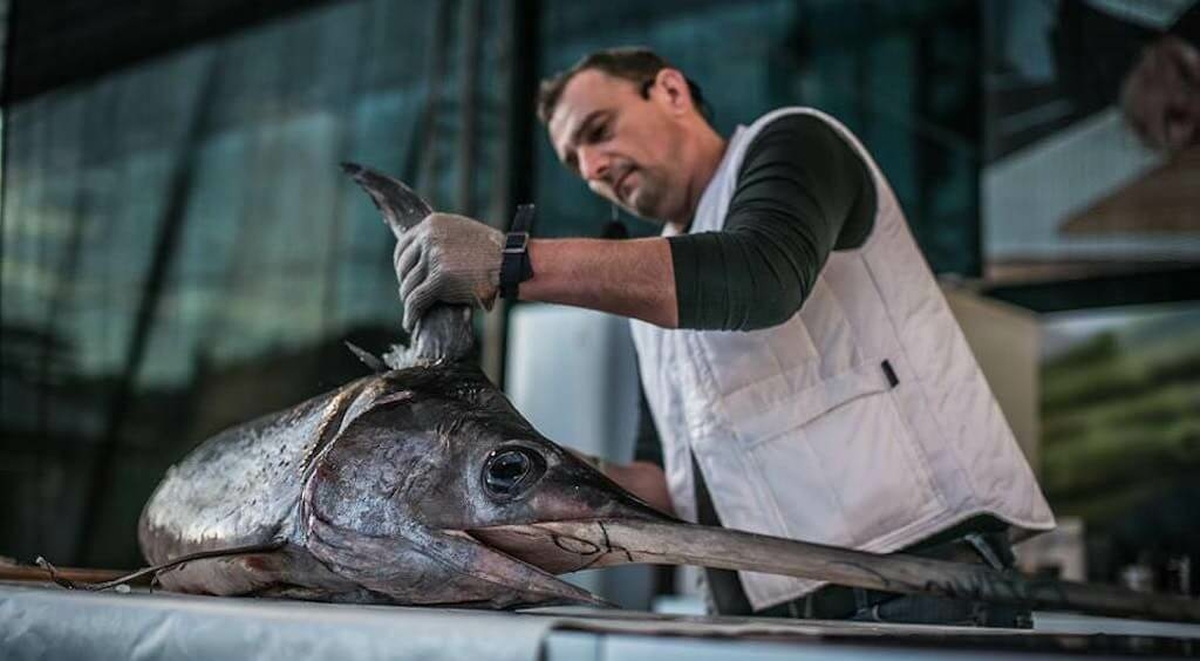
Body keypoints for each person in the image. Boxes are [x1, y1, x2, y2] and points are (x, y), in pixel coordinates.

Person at [392, 47, 1055, 626]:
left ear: (671, 91)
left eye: (599, 130)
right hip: (762, 618)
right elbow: (662, 481)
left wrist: (510, 262)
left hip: (917, 587)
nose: (592, 165)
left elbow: (761, 273)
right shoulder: (650, 295)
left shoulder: (794, 141)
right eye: (574, 160)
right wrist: (507, 464)